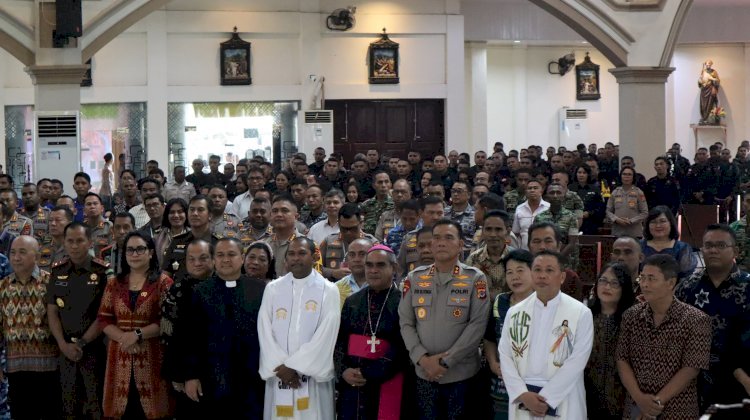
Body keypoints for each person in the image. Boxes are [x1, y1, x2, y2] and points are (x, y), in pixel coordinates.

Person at [399, 220, 490, 418]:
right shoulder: (414, 278)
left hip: (462, 376)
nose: (441, 243)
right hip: (423, 374)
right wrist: (423, 359)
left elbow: (477, 325)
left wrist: (446, 361)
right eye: (437, 238)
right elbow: (406, 323)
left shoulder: (475, 278)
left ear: (460, 245)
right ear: (431, 245)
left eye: (448, 238)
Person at [498, 250, 593, 419]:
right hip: (524, 398)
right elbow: (505, 355)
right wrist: (522, 393)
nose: (542, 276)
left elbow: (578, 360)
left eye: (549, 270)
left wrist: (547, 399)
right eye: (537, 270)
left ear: (562, 277)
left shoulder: (581, 313)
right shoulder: (515, 312)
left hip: (563, 397)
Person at [616, 254, 711, 419]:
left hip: (677, 409)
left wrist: (655, 404)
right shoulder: (631, 316)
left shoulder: (696, 319)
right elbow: (622, 359)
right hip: (636, 406)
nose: (644, 284)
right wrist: (640, 399)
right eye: (642, 278)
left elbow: (691, 368)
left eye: (651, 279)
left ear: (671, 283)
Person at [258, 237, 341, 419]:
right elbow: (264, 330)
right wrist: (281, 367)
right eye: (291, 254)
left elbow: (327, 334)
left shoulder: (328, 290)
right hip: (279, 374)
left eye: (302, 253)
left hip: (312, 380)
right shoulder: (273, 288)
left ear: (314, 257)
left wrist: (294, 367)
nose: (296, 258)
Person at [184, 238, 266, 417]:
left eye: (231, 254)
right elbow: (191, 337)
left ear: (242, 258)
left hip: (252, 376)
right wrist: (191, 375)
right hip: (213, 377)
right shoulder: (200, 291)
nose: (226, 259)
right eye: (220, 255)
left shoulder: (262, 290)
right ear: (213, 260)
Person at [97, 231, 173, 418]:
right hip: (119, 357)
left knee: (152, 411)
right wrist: (125, 338)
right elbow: (103, 319)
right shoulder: (114, 283)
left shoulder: (164, 282)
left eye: (140, 249)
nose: (135, 254)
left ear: (151, 253)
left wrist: (137, 334)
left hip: (153, 358)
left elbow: (167, 321)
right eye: (130, 250)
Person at [675, 224, 750, 409]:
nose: (713, 250)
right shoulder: (686, 288)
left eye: (721, 245)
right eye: (708, 246)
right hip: (692, 384)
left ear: (736, 251)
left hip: (740, 382)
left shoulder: (748, 288)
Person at [334, 244, 409, 419]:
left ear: (394, 268)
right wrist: (343, 370)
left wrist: (369, 373)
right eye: (369, 265)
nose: (373, 270)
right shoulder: (353, 301)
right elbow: (339, 341)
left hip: (386, 380)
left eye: (380, 265)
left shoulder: (403, 302)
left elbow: (402, 346)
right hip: (351, 382)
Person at [46, 222, 111, 419]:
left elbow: (104, 314)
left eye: (80, 241)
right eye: (70, 241)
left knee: (96, 405)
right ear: (64, 243)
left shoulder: (102, 272)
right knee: (69, 406)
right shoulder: (57, 271)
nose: (75, 246)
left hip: (94, 349)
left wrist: (82, 343)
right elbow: (52, 312)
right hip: (65, 349)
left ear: (90, 242)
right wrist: (62, 344)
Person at [0, 236, 61, 419]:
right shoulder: (2, 287)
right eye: (13, 253)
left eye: (22, 252)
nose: (16, 257)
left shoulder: (50, 283)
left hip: (48, 366)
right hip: (15, 367)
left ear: (37, 256)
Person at [160, 238, 213, 417]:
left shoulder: (223, 287)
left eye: (203, 258)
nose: (197, 263)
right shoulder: (178, 289)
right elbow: (170, 336)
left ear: (213, 259)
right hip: (184, 373)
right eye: (191, 259)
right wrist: (177, 374)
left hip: (218, 373)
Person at [483, 249, 534, 420]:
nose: (514, 277)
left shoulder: (543, 304)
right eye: (510, 272)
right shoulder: (500, 301)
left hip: (531, 382)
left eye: (520, 271)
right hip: (501, 382)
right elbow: (489, 338)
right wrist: (492, 362)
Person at [585, 262, 635, 420]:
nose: (607, 287)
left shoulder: (633, 320)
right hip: (586, 396)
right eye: (603, 281)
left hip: (622, 400)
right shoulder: (584, 316)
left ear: (624, 288)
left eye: (614, 283)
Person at [319, 203, 378, 281]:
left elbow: (379, 268)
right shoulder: (329, 241)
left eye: (353, 228)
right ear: (338, 224)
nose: (348, 233)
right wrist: (332, 273)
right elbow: (315, 267)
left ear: (360, 224)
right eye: (344, 229)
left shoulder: (372, 243)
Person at [466, 210, 513, 299]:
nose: (493, 234)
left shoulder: (515, 258)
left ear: (508, 231)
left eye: (498, 229)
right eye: (488, 229)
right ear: (482, 231)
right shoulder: (473, 259)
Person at [641, 206, 696, 281]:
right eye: (653, 222)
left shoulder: (682, 248)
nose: (658, 225)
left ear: (671, 223)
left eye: (662, 221)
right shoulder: (639, 246)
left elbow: (685, 278)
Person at [265, 195, 305, 277]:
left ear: (296, 217)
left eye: (284, 210)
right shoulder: (264, 244)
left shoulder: (307, 245)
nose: (279, 214)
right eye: (275, 211)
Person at [606, 167, 648, 238]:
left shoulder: (639, 192)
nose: (626, 177)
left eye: (629, 174)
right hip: (617, 232)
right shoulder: (615, 192)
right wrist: (616, 219)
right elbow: (608, 211)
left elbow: (645, 213)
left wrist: (631, 221)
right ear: (621, 176)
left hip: (635, 233)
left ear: (633, 177)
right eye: (624, 174)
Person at [334, 238, 376, 307]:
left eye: (362, 254)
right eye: (352, 255)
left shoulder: (382, 286)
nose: (356, 259)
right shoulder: (336, 288)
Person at [511, 179, 549, 251]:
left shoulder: (548, 208)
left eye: (535, 188)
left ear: (542, 190)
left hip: (545, 250)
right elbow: (516, 233)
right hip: (524, 251)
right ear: (526, 191)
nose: (532, 190)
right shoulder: (519, 209)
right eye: (529, 188)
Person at [569, 165, 605, 235]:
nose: (581, 175)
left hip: (590, 223)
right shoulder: (570, 188)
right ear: (576, 174)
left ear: (588, 174)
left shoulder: (595, 189)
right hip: (573, 223)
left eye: (584, 173)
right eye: (579, 172)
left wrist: (589, 213)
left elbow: (601, 208)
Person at [154, 198, 190, 268]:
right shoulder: (157, 236)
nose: (176, 215)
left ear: (186, 214)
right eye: (172, 212)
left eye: (180, 212)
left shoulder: (193, 236)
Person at [360, 171, 394, 236]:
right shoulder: (366, 205)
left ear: (390, 184)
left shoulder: (395, 204)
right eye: (380, 182)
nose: (383, 185)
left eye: (386, 182)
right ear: (373, 185)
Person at [699, 59, 721, 124]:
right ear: (705, 65)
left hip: (710, 89)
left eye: (709, 64)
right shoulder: (703, 71)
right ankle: (703, 118)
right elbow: (700, 81)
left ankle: (708, 118)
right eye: (707, 65)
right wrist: (700, 81)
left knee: (709, 104)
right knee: (703, 105)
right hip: (703, 90)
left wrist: (714, 82)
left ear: (711, 65)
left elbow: (718, 80)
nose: (708, 66)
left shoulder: (714, 72)